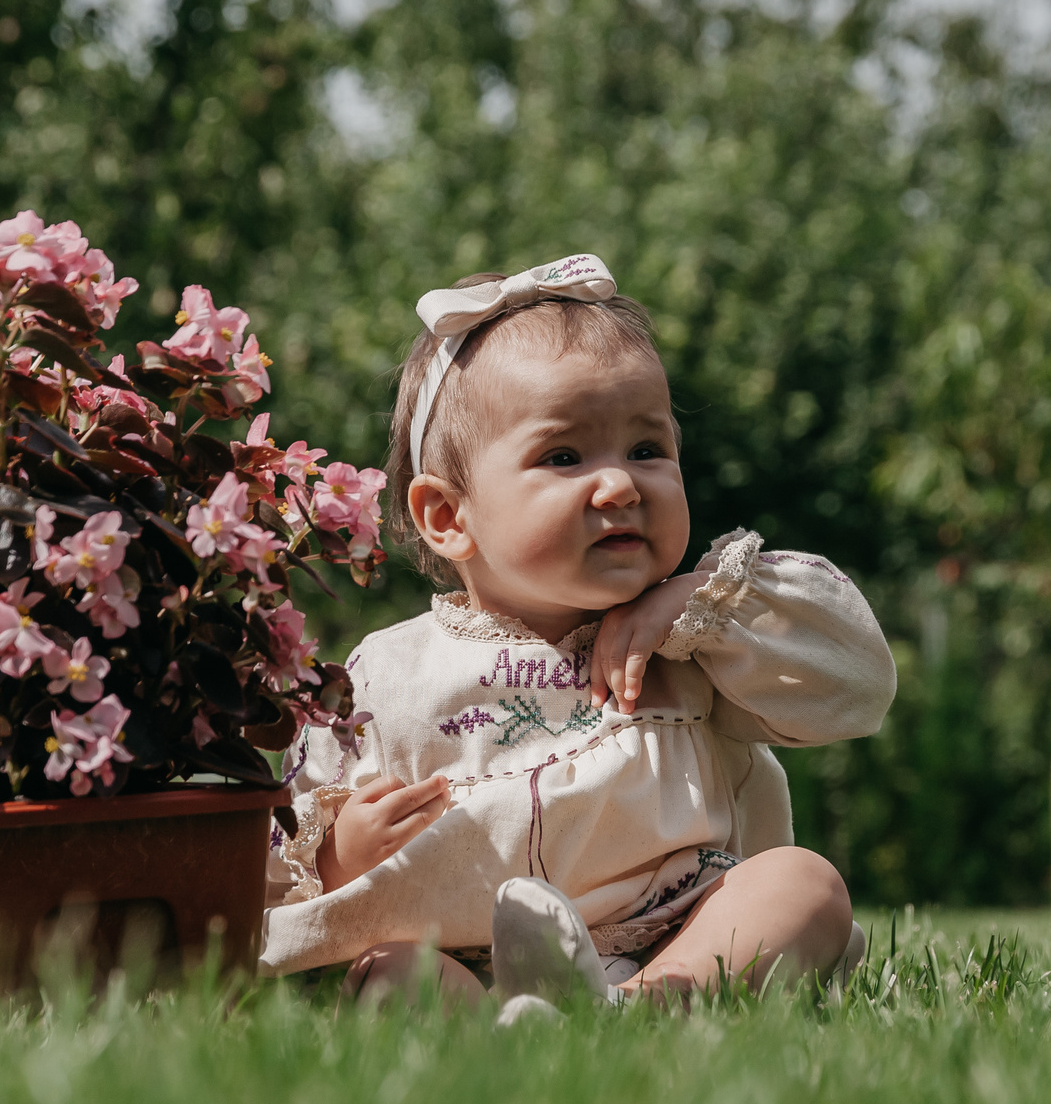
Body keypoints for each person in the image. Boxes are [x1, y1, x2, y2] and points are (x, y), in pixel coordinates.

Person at [260, 256, 897, 1020]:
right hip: (472, 956)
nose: (621, 485)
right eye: (564, 457)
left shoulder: (696, 646)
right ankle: (502, 1028)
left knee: (803, 882)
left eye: (647, 449)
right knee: (388, 969)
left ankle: (638, 1003)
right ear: (447, 516)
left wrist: (697, 604)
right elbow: (278, 850)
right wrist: (339, 854)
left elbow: (856, 682)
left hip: (677, 935)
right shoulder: (391, 677)